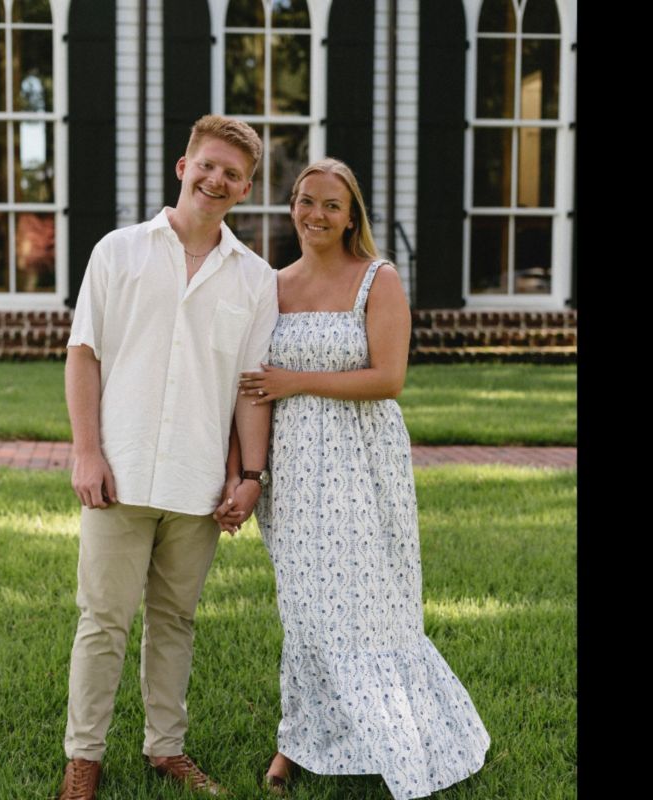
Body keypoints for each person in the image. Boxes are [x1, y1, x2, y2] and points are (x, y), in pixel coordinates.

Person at [236, 159, 490, 799]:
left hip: (361, 464)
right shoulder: (271, 285)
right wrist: (249, 474)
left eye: (331, 205)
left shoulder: (378, 278)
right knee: (304, 610)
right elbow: (253, 386)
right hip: (294, 470)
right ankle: (298, 738)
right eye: (306, 201)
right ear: (291, 207)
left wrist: (297, 381)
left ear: (351, 217)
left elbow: (388, 378)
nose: (316, 214)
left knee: (367, 607)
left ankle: (397, 733)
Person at [59, 115, 278, 800]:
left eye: (232, 174)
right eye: (207, 165)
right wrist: (87, 452)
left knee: (175, 621)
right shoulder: (119, 252)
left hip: (198, 480)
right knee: (103, 621)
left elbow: (250, 389)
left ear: (245, 189)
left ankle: (166, 748)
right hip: (118, 473)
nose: (217, 179)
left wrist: (248, 476)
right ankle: (84, 758)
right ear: (184, 168)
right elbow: (83, 355)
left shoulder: (256, 279)